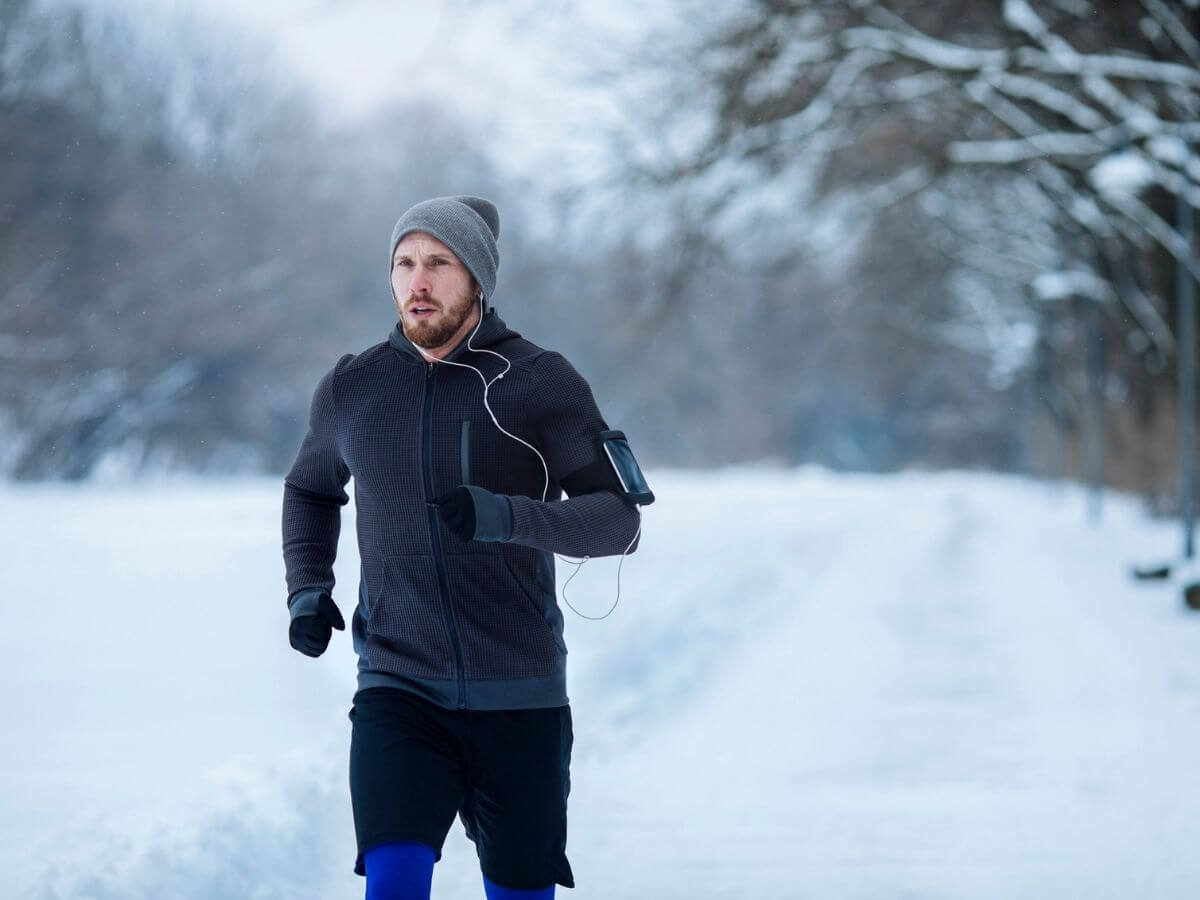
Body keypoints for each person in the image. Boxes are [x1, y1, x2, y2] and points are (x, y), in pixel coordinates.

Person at [281, 195, 647, 899]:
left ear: (476, 278)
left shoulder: (539, 381)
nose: (417, 282)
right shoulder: (354, 388)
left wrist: (509, 517)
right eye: (404, 264)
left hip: (521, 693)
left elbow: (619, 521)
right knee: (393, 882)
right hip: (397, 683)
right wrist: (307, 588)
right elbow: (310, 489)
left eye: (438, 264)